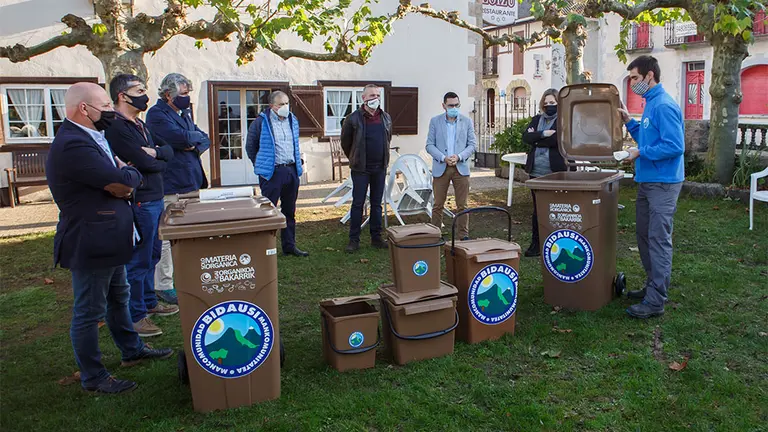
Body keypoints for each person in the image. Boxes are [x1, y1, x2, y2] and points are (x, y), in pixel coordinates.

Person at [46, 82, 172, 394]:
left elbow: (124, 178)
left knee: (119, 298)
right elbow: (122, 181)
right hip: (91, 240)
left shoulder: (94, 136)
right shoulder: (74, 144)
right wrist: (127, 173)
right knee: (89, 311)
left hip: (111, 238)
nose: (110, 113)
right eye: (104, 106)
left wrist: (125, 174)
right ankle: (93, 376)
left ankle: (131, 350)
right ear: (83, 109)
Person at [106, 74, 179, 337]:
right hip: (140, 200)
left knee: (153, 255)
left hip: (155, 197)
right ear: (122, 96)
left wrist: (156, 153)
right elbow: (146, 162)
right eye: (138, 90)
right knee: (139, 260)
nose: (144, 94)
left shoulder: (140, 124)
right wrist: (155, 157)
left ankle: (149, 302)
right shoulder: (117, 126)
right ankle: (136, 315)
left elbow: (165, 152)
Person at [618, 55, 685, 319]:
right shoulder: (650, 103)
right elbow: (648, 137)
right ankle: (651, 287)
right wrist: (629, 121)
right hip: (647, 182)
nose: (632, 83)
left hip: (664, 183)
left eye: (635, 78)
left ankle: (656, 301)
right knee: (644, 236)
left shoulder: (664, 105)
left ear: (649, 76)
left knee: (658, 239)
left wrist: (639, 152)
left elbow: (675, 146)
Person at [146, 73, 211, 305]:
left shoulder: (182, 112)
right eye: (184, 94)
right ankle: (163, 284)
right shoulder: (156, 115)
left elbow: (203, 137)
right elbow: (179, 138)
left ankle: (187, 277)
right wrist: (188, 141)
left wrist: (190, 142)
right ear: (168, 94)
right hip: (172, 184)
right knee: (166, 236)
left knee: (189, 234)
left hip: (191, 181)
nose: (187, 97)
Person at [245, 91, 309, 257]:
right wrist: (262, 165)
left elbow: (295, 144)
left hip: (291, 170)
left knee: (289, 211)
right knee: (268, 211)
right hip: (272, 172)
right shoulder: (260, 122)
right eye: (281, 104)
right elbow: (250, 147)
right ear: (272, 106)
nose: (285, 107)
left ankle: (289, 246)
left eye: (287, 103)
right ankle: (266, 248)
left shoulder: (292, 120)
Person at [340, 84, 393, 253]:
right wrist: (355, 159)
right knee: (358, 203)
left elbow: (388, 139)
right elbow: (346, 143)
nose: (375, 98)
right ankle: (353, 240)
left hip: (380, 168)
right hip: (361, 169)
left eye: (377, 95)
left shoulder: (386, 118)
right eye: (371, 95)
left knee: (377, 204)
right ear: (363, 98)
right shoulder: (353, 119)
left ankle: (376, 237)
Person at [522, 88, 567, 257]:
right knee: (538, 208)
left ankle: (557, 242)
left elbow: (557, 140)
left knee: (557, 207)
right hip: (536, 171)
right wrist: (543, 134)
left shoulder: (563, 120)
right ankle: (536, 244)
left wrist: (537, 139)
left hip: (556, 171)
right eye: (546, 103)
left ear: (559, 104)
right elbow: (526, 137)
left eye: (553, 103)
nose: (549, 106)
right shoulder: (536, 119)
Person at [425, 91, 476, 239]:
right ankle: (435, 234)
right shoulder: (435, 121)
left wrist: (459, 157)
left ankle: (463, 235)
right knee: (438, 204)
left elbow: (472, 145)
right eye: (451, 105)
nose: (454, 107)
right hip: (442, 167)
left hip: (461, 167)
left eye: (456, 105)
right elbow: (429, 145)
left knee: (463, 205)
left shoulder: (467, 122)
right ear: (444, 106)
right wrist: (443, 157)